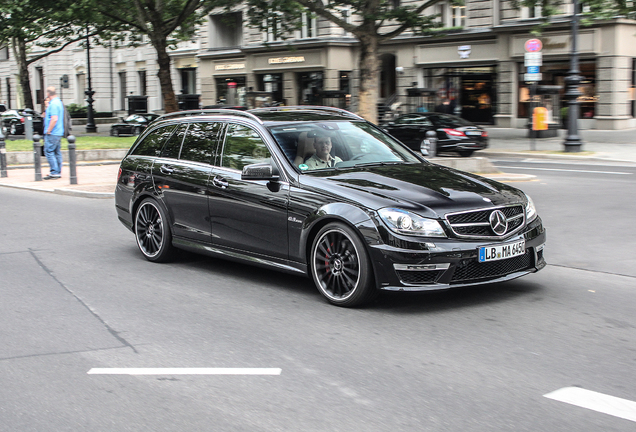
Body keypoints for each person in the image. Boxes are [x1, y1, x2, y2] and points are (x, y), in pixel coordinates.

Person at [42, 86, 64, 180]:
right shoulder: (58, 102)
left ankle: (54, 172)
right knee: (56, 152)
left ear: (48, 94)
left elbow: (54, 119)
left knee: (49, 151)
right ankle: (58, 171)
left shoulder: (53, 104)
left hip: (53, 132)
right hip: (58, 132)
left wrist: (48, 130)